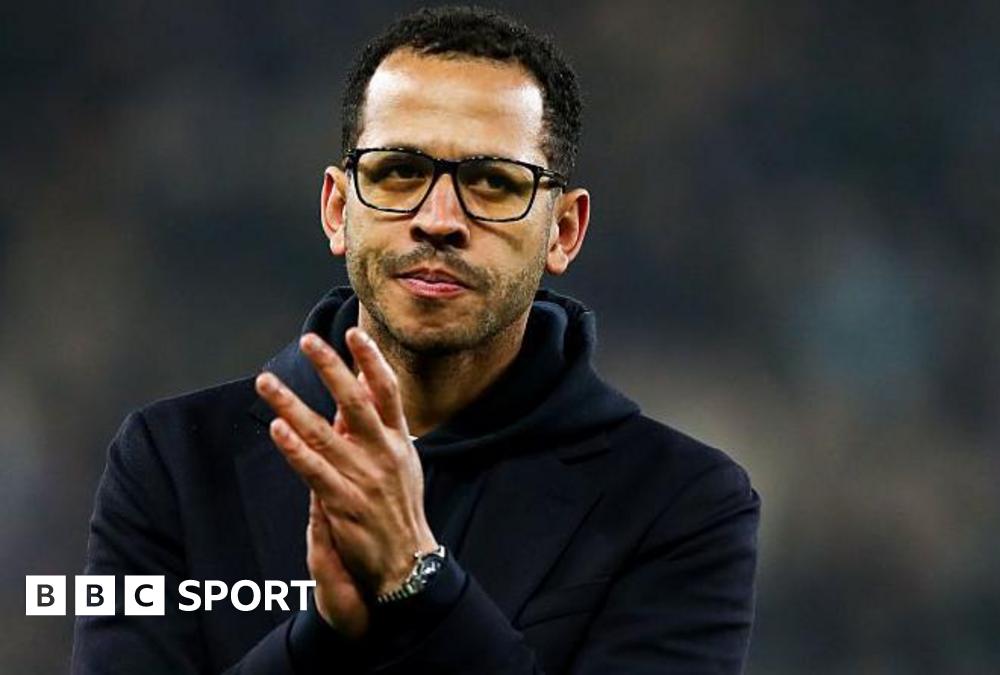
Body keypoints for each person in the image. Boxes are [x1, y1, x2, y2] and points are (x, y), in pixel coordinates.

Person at [72, 6, 759, 674]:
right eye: (399, 171)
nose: (438, 219)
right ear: (338, 208)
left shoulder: (683, 503)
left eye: (493, 183)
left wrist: (414, 578)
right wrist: (322, 637)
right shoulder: (172, 461)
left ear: (564, 231)